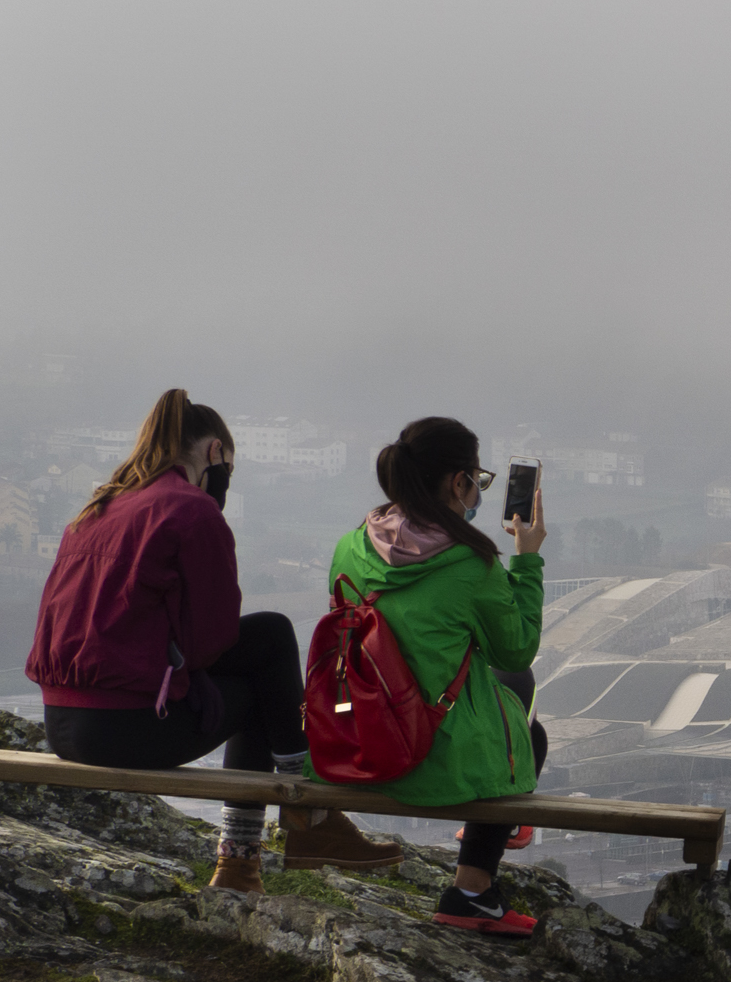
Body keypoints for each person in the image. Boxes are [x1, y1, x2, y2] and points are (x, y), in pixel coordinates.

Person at [28, 389, 403, 891]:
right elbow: (212, 640)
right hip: (123, 730)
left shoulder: (100, 506)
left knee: (260, 668)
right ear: (214, 454)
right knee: (270, 643)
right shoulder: (191, 510)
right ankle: (301, 823)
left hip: (62, 724)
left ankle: (254, 858)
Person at [324, 417, 549, 936]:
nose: (477, 491)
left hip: (356, 735)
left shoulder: (352, 545)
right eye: (478, 480)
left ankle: (493, 847)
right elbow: (516, 649)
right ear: (457, 483)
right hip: (427, 756)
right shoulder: (471, 562)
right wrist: (527, 559)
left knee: (514, 690)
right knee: (526, 722)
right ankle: (472, 891)